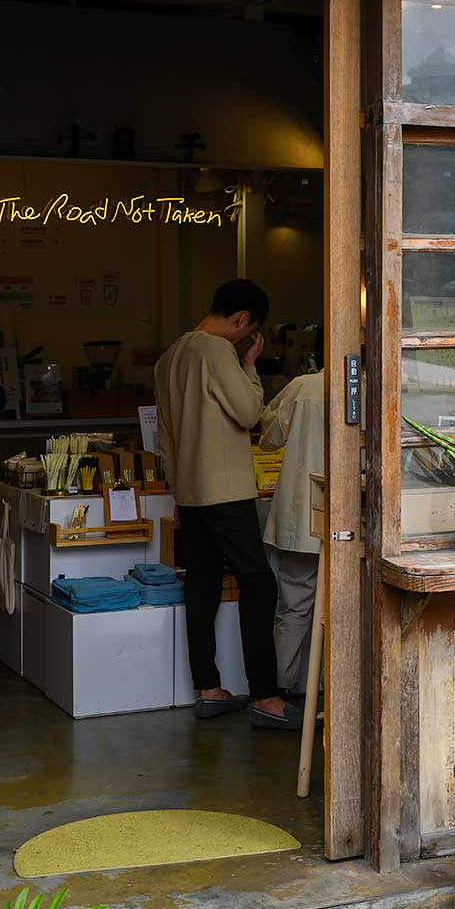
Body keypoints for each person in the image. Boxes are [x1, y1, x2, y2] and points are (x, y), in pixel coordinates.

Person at [155, 279, 301, 729]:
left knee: (202, 586)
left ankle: (208, 687)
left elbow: (166, 438)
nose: (246, 339)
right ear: (242, 320)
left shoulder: (170, 357)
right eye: (249, 331)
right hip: (226, 491)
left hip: (192, 495)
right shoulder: (217, 351)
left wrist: (179, 493)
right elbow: (248, 412)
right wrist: (251, 365)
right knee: (259, 584)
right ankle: (266, 697)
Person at [259, 329, 324, 696]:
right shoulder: (370, 387)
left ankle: (284, 692)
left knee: (294, 608)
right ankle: (334, 694)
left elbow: (268, 435)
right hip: (351, 521)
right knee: (345, 611)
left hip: (299, 519)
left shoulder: (302, 386)